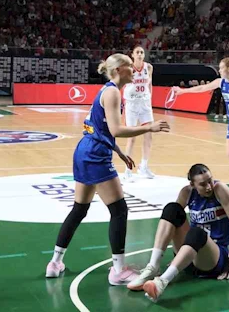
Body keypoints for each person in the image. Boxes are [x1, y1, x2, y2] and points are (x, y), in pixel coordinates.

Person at [44, 54, 170, 284]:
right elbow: (115, 129)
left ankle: (54, 263)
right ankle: (118, 270)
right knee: (120, 211)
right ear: (119, 70)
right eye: (130, 67)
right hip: (95, 156)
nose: (134, 69)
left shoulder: (108, 90)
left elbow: (100, 127)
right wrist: (149, 127)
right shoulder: (112, 92)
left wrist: (120, 153)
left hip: (85, 150)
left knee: (79, 210)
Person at [127, 164, 229, 302]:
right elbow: (172, 222)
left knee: (196, 233)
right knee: (172, 209)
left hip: (213, 259)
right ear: (192, 185)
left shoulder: (220, 190)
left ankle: (161, 282)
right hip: (190, 255)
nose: (208, 187)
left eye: (210, 181)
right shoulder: (187, 193)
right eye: (202, 184)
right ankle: (153, 267)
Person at [172, 58, 229, 195]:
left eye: (221, 68)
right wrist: (183, 91)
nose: (219, 70)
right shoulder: (221, 82)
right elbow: (202, 88)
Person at [122, 45, 155, 180]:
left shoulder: (149, 67)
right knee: (132, 138)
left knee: (148, 136)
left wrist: (149, 99)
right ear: (133, 55)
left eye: (142, 52)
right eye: (137, 52)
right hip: (132, 105)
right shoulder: (128, 69)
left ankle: (144, 166)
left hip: (145, 104)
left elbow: (150, 84)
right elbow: (123, 84)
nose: (140, 54)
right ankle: (127, 169)